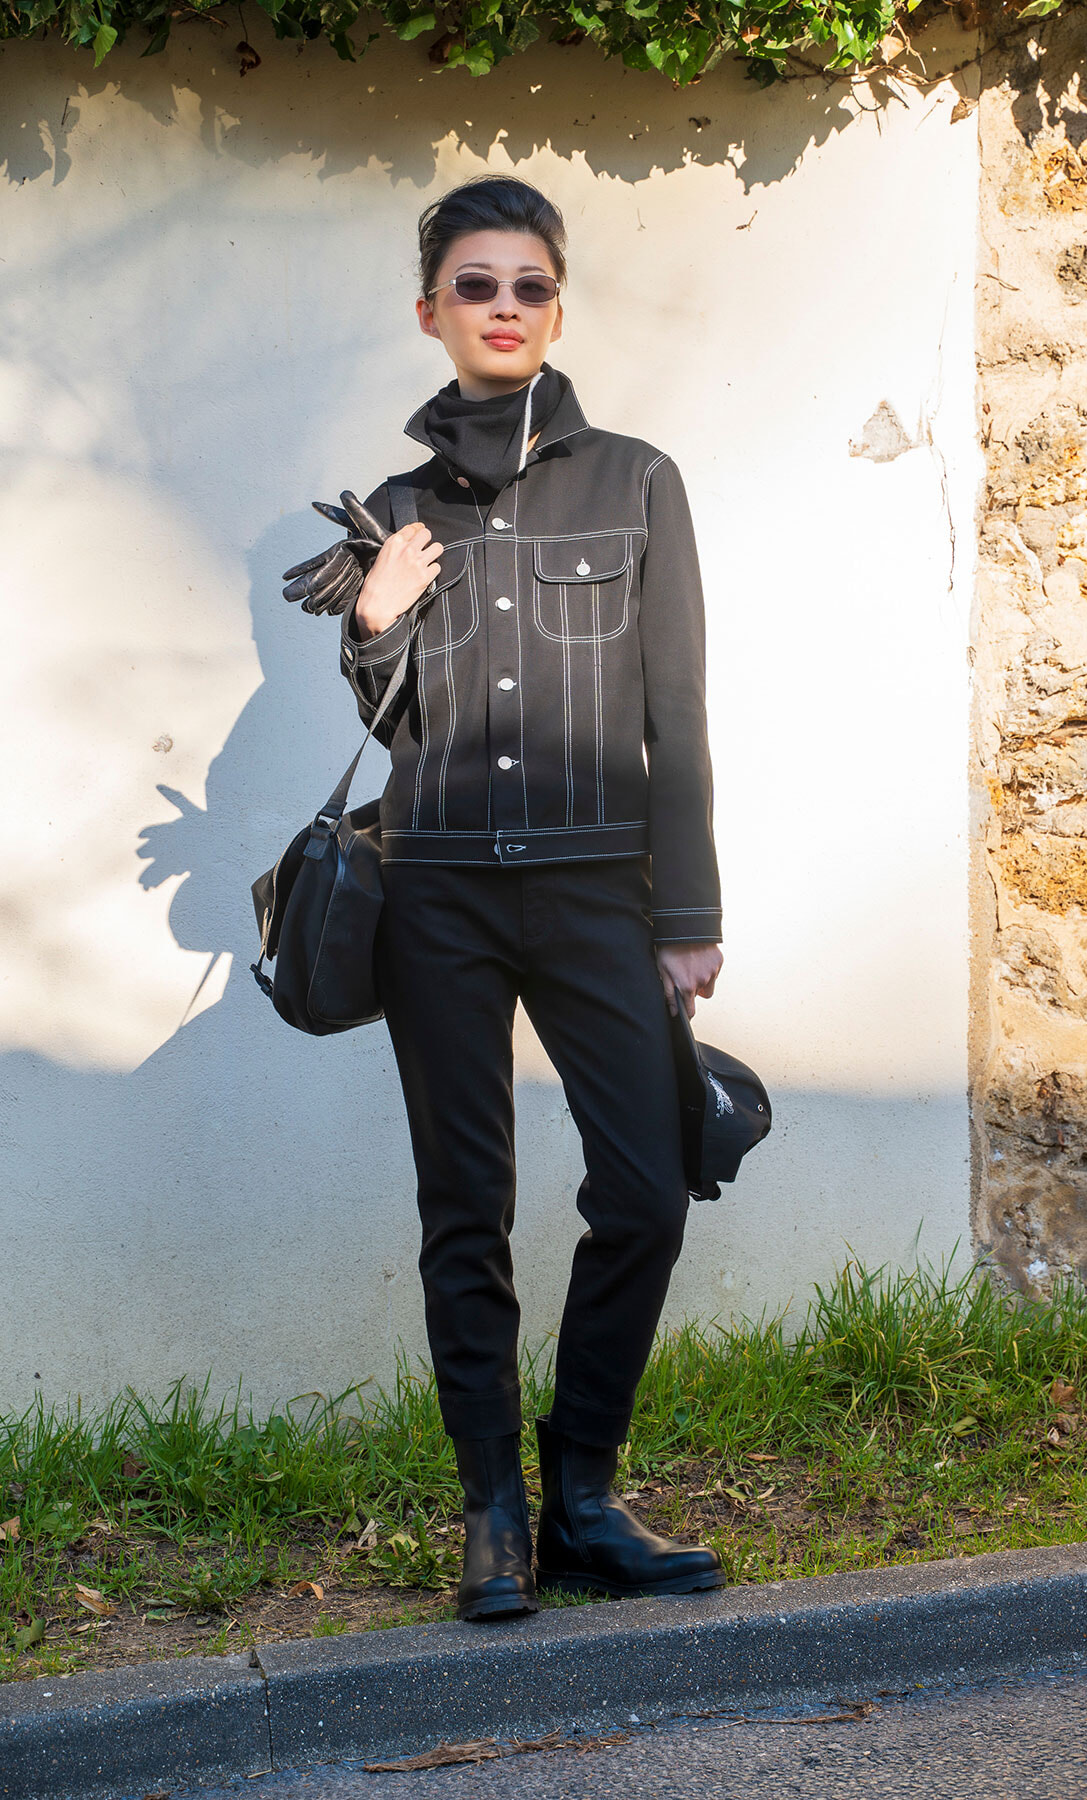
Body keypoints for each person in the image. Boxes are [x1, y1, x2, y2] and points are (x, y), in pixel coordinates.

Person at [303, 174, 725, 1622]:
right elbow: (391, 714)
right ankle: (494, 1517)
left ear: (557, 305)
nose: (501, 307)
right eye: (473, 286)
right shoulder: (398, 510)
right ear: (431, 313)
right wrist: (372, 622)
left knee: (650, 1187)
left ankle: (585, 1496)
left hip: (602, 892)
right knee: (464, 1205)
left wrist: (690, 915)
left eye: (526, 284)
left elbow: (681, 708)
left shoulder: (640, 479)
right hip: (439, 900)